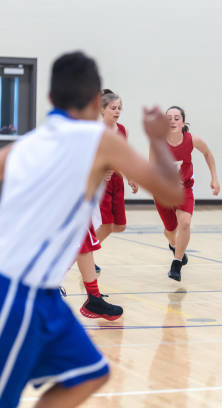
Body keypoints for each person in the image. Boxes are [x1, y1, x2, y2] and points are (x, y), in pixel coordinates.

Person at [0, 51, 182, 407]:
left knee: (89, 372)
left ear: (50, 98)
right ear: (98, 100)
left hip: (43, 293)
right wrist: (158, 140)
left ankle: (91, 296)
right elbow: (172, 191)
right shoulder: (101, 139)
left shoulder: (21, 147)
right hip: (17, 289)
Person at [153, 106, 220, 282]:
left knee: (185, 223)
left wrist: (214, 178)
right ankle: (174, 245)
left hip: (184, 190)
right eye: (169, 118)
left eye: (177, 118)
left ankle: (177, 262)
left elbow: (207, 153)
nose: (173, 121)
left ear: (183, 122)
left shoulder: (192, 140)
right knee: (170, 231)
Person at [95, 89, 138, 248]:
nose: (117, 111)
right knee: (106, 225)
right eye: (113, 108)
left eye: (119, 108)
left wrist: (130, 177)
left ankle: (88, 243)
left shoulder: (123, 130)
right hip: (100, 184)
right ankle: (85, 254)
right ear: (102, 109)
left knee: (120, 226)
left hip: (117, 180)